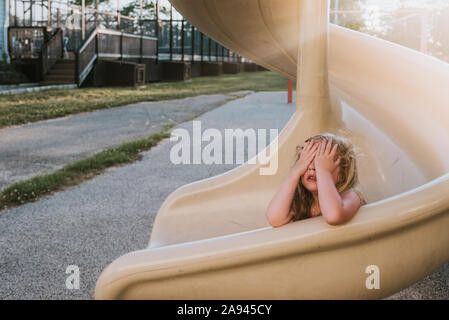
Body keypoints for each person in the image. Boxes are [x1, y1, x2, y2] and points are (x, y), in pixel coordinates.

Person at [265, 133, 366, 227]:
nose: (312, 167)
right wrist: (295, 171)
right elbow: (274, 219)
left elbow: (333, 216)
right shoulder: (303, 201)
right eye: (308, 160)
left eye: (320, 162)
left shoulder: (350, 196)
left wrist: (323, 172)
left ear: (342, 174)